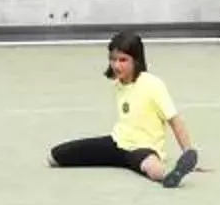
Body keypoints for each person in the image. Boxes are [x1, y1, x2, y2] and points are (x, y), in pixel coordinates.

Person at [48, 32, 198, 186]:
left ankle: (172, 174)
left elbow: (174, 120)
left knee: (152, 168)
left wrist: (187, 152)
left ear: (136, 60)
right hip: (117, 144)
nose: (117, 65)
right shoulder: (118, 85)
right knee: (55, 157)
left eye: (123, 60)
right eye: (113, 60)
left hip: (142, 148)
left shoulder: (153, 84)